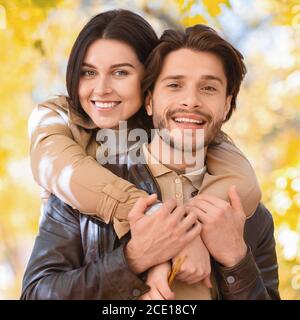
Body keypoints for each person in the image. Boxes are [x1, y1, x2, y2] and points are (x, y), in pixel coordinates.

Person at [21, 21, 280, 300]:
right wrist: (133, 259)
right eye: (174, 85)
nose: (191, 101)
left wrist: (236, 260)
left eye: (208, 88)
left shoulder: (252, 216)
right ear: (149, 100)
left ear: (227, 104)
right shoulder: (81, 193)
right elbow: (36, 294)